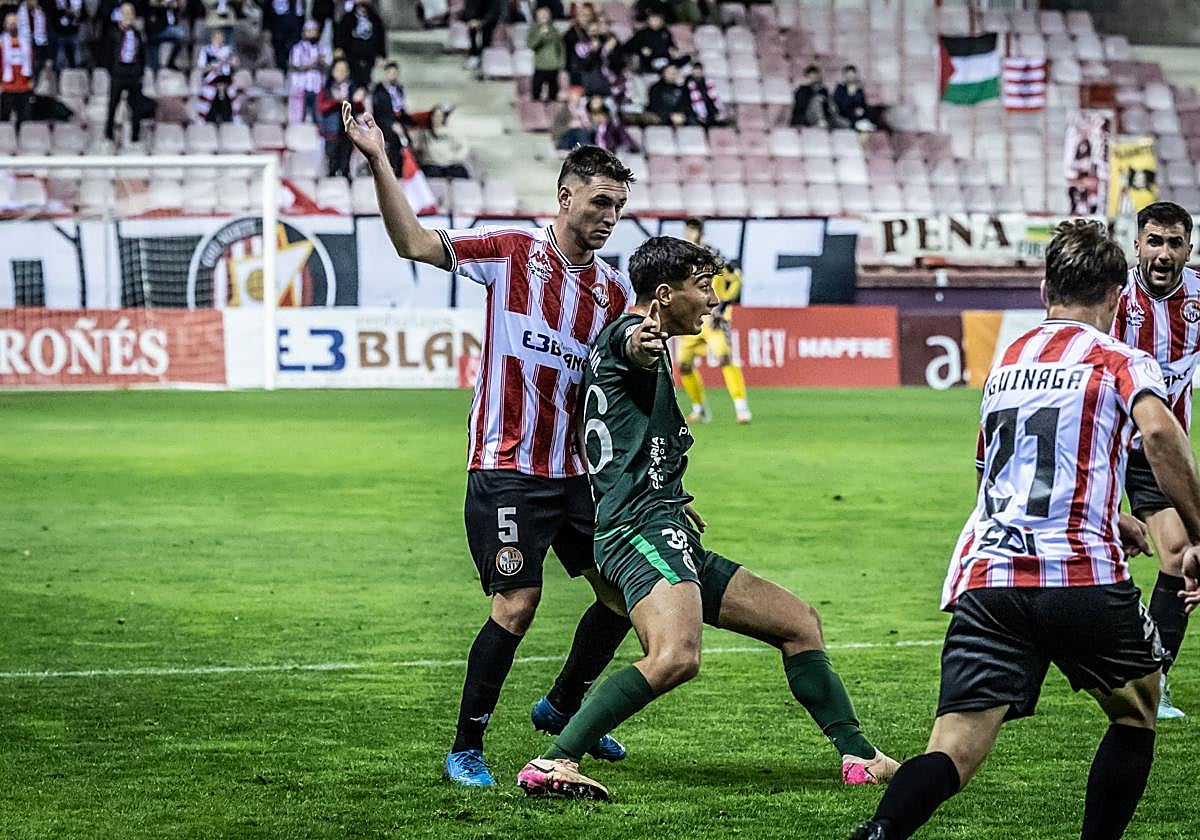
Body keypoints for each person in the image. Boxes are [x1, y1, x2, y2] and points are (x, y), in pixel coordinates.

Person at [849, 218, 1200, 840]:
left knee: (953, 747)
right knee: (1137, 708)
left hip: (989, 575)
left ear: (1045, 290)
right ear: (1118, 295)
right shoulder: (1120, 357)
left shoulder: (1007, 361)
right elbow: (1160, 434)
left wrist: (1108, 512)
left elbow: (993, 469)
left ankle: (879, 833)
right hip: (1077, 574)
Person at [516, 236, 897, 800]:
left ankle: (860, 757)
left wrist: (665, 483)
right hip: (637, 531)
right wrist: (645, 339)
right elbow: (634, 341)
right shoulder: (634, 334)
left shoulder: (633, 339)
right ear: (664, 295)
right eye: (704, 288)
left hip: (664, 521)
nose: (713, 301)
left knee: (798, 622)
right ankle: (553, 763)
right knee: (675, 657)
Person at [343, 107, 642, 788]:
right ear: (565, 197)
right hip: (506, 467)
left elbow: (621, 392)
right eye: (600, 203)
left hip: (576, 476)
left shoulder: (614, 291)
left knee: (624, 595)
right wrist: (379, 161)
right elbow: (414, 243)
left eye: (618, 209)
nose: (608, 218)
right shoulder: (510, 252)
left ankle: (567, 709)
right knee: (517, 604)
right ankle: (465, 750)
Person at [1110, 201, 1200, 720]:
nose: (1163, 253)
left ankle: (1154, 681)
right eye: (1154, 241)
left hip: (1156, 449)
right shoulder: (1113, 294)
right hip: (1097, 443)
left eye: (1174, 243)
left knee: (1177, 552)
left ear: (1188, 249)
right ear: (1137, 244)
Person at [677, 218, 750, 424]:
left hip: (714, 320)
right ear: (685, 231)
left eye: (696, 228)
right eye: (690, 228)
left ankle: (741, 408)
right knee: (684, 366)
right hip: (691, 320)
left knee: (725, 359)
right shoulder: (680, 259)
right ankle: (699, 410)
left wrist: (724, 305)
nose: (693, 232)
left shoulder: (714, 256)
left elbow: (736, 279)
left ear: (702, 232)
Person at [104, 2, 146, 144]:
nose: (127, 15)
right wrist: (112, 70)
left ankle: (135, 136)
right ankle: (108, 134)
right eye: (125, 12)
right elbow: (107, 53)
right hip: (118, 73)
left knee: (136, 107)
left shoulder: (138, 33)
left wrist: (140, 72)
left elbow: (142, 55)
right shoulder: (113, 32)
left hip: (134, 73)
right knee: (113, 105)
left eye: (130, 12)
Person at [319, 58, 364, 177]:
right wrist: (338, 102)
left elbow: (359, 109)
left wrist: (358, 101)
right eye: (338, 70)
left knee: (346, 164)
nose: (341, 73)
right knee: (332, 163)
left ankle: (345, 185)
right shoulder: (327, 88)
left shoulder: (352, 87)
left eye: (344, 70)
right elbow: (322, 107)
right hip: (332, 131)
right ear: (333, 71)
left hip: (348, 130)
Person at [287, 19, 330, 124]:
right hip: (301, 87)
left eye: (314, 30)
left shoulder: (323, 49)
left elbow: (328, 67)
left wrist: (322, 62)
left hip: (317, 87)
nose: (311, 33)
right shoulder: (297, 48)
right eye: (309, 31)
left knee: (318, 117)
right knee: (299, 117)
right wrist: (314, 61)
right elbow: (298, 66)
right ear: (304, 32)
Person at [371, 60, 411, 175]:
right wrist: (391, 124)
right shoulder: (378, 90)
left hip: (398, 123)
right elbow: (378, 112)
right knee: (393, 142)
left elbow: (402, 109)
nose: (393, 75)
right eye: (390, 72)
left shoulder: (399, 89)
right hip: (384, 125)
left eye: (395, 73)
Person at [194, 28, 240, 124]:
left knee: (228, 110)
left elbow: (235, 66)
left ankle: (229, 120)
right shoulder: (205, 50)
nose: (218, 39)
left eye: (220, 37)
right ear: (212, 38)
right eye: (216, 37)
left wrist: (231, 63)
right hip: (211, 82)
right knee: (210, 113)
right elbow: (202, 69)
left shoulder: (228, 50)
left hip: (226, 83)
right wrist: (215, 65)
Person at [335, 0, 385, 87]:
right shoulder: (348, 17)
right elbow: (341, 34)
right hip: (351, 56)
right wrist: (339, 47)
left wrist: (381, 54)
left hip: (368, 57)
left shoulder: (375, 19)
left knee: (366, 81)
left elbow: (380, 37)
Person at [0, 12, 34, 127]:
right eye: (10, 22)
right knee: (4, 119)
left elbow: (31, 62)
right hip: (7, 86)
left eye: (15, 22)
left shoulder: (26, 42)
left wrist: (31, 79)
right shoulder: (1, 43)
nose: (13, 25)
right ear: (5, 25)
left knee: (25, 119)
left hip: (23, 86)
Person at [526, 5, 563, 104]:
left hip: (553, 66)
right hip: (540, 66)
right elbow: (530, 45)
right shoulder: (533, 30)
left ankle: (551, 111)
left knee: (553, 92)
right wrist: (540, 35)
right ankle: (536, 112)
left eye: (546, 14)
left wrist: (561, 63)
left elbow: (560, 47)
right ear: (537, 17)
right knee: (536, 91)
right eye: (541, 15)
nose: (544, 17)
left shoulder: (554, 30)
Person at [144, 0, 186, 72]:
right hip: (154, 32)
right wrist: (163, 5)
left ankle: (170, 63)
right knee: (154, 63)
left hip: (165, 32)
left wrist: (175, 6)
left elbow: (175, 17)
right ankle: (154, 68)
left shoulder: (170, 7)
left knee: (179, 40)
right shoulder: (153, 7)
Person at [263, 0, 305, 72]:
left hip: (295, 31)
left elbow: (301, 15)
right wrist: (266, 29)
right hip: (278, 31)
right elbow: (267, 13)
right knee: (280, 57)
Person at [790, 64, 835, 129]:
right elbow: (800, 106)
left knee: (844, 123)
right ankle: (821, 121)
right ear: (807, 77)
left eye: (816, 76)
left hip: (824, 117)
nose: (815, 79)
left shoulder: (824, 90)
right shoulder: (802, 89)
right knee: (818, 99)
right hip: (806, 118)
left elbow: (829, 106)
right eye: (812, 77)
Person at [833, 64, 875, 132]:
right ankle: (859, 125)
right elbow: (840, 106)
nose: (851, 77)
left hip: (859, 115)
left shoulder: (859, 88)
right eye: (848, 74)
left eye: (852, 74)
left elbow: (863, 103)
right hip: (845, 116)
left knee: (871, 111)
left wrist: (862, 110)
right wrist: (851, 95)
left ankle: (864, 124)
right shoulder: (840, 88)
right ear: (845, 75)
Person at [647, 62, 690, 127]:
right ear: (663, 73)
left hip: (679, 118)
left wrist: (681, 115)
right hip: (661, 117)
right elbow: (654, 106)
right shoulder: (655, 88)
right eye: (669, 72)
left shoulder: (681, 89)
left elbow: (684, 105)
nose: (672, 75)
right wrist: (670, 116)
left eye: (674, 73)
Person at [683, 60, 721, 127]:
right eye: (695, 69)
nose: (698, 71)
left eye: (699, 69)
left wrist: (716, 112)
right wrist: (697, 115)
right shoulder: (687, 84)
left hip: (708, 113)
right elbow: (687, 102)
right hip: (693, 114)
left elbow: (712, 100)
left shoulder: (708, 84)